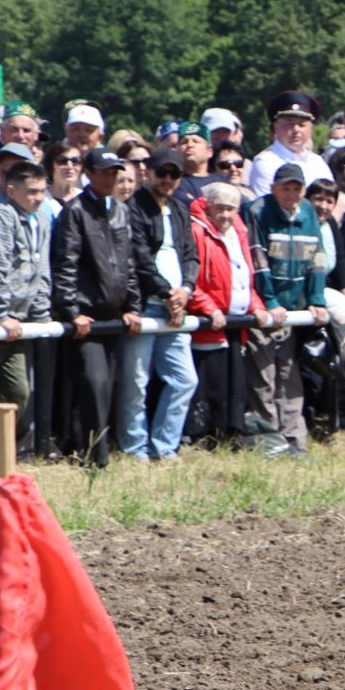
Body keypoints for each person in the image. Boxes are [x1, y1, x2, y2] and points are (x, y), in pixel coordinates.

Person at [51, 147, 145, 467]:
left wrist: (133, 305)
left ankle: (90, 450)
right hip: (87, 315)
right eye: (104, 171)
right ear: (88, 174)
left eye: (114, 172)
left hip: (114, 315)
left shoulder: (121, 210)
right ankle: (94, 458)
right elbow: (66, 263)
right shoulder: (74, 211)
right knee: (93, 383)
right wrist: (71, 309)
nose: (110, 177)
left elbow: (128, 262)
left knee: (106, 386)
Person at [117, 151, 199, 462]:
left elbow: (191, 255)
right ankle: (135, 449)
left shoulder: (180, 209)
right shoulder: (133, 208)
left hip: (176, 308)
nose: (167, 180)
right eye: (161, 173)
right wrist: (167, 293)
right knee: (136, 382)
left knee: (184, 379)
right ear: (147, 172)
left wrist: (186, 291)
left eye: (174, 175)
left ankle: (165, 447)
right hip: (144, 305)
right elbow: (139, 259)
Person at [247, 162, 332, 455]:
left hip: (294, 310)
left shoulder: (308, 211)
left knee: (289, 375)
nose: (292, 194)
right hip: (266, 308)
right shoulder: (259, 210)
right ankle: (270, 440)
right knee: (264, 376)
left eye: (297, 189)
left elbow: (317, 257)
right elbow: (258, 260)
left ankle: (296, 439)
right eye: (286, 188)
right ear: (274, 188)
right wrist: (270, 301)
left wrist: (316, 298)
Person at [187, 182, 275, 446]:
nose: (226, 215)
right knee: (211, 384)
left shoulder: (239, 230)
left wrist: (256, 305)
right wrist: (208, 307)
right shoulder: (197, 231)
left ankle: (229, 437)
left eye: (231, 210)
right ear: (208, 207)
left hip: (236, 323)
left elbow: (243, 275)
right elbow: (193, 278)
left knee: (234, 386)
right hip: (210, 323)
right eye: (221, 209)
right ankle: (205, 438)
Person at [0, 159, 51, 449]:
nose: (38, 198)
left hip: (19, 322)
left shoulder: (42, 219)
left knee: (18, 391)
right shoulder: (2, 216)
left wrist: (42, 313)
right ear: (11, 190)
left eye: (42, 191)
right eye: (32, 191)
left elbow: (42, 268)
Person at [246, 90, 333, 199]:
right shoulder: (265, 163)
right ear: (276, 127)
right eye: (289, 124)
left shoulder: (317, 162)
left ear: (310, 128)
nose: (296, 130)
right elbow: (268, 207)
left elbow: (331, 197)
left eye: (302, 125)